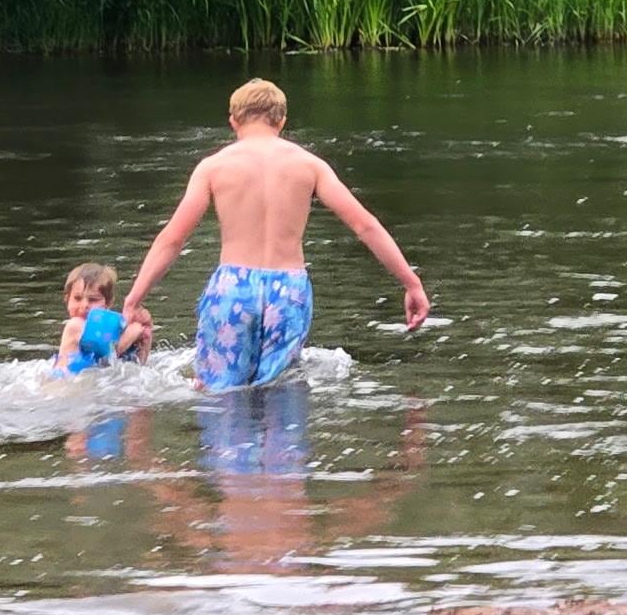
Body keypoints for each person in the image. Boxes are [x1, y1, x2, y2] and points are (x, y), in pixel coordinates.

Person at [121, 78, 429, 390]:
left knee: (218, 391)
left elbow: (173, 238)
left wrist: (136, 296)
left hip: (234, 288)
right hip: (288, 290)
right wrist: (411, 282)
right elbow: (366, 225)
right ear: (281, 120)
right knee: (279, 392)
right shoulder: (310, 165)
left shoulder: (213, 167)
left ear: (233, 121)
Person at [53, 261, 152, 376]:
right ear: (67, 300)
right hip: (63, 387)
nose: (84, 305)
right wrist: (131, 334)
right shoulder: (74, 326)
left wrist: (145, 334)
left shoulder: (112, 331)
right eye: (77, 298)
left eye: (93, 300)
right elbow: (108, 355)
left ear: (108, 303)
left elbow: (139, 365)